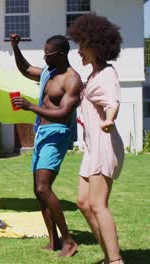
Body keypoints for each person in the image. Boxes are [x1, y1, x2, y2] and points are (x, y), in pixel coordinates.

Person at [10, 33, 81, 257]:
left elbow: (62, 114)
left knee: (43, 187)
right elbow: (25, 69)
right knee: (38, 190)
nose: (44, 57)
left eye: (48, 54)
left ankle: (69, 241)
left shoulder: (72, 80)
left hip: (58, 133)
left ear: (60, 54)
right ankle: (54, 241)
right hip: (42, 133)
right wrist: (15, 47)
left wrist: (31, 107)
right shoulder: (48, 73)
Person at [68, 14, 125, 264]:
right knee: (83, 202)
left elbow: (112, 101)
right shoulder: (93, 75)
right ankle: (108, 255)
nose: (79, 50)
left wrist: (110, 118)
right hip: (92, 148)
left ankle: (115, 261)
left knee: (98, 204)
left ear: (97, 46)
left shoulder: (107, 75)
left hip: (105, 145)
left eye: (83, 45)